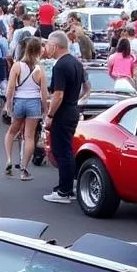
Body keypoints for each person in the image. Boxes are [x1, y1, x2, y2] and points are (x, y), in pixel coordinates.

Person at [43, 30, 89, 205]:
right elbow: (86, 87)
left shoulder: (60, 65)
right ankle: (67, 186)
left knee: (62, 151)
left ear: (55, 46)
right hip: (72, 109)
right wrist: (75, 100)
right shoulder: (76, 63)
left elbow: (58, 94)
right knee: (66, 150)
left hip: (62, 112)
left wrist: (50, 114)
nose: (46, 48)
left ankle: (64, 191)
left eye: (48, 44)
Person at [3, 36, 47, 180]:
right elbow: (44, 92)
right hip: (34, 102)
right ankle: (24, 169)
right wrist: (45, 109)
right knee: (29, 136)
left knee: (11, 131)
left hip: (19, 101)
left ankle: (9, 160)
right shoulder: (40, 69)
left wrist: (8, 104)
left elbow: (10, 88)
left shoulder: (17, 66)